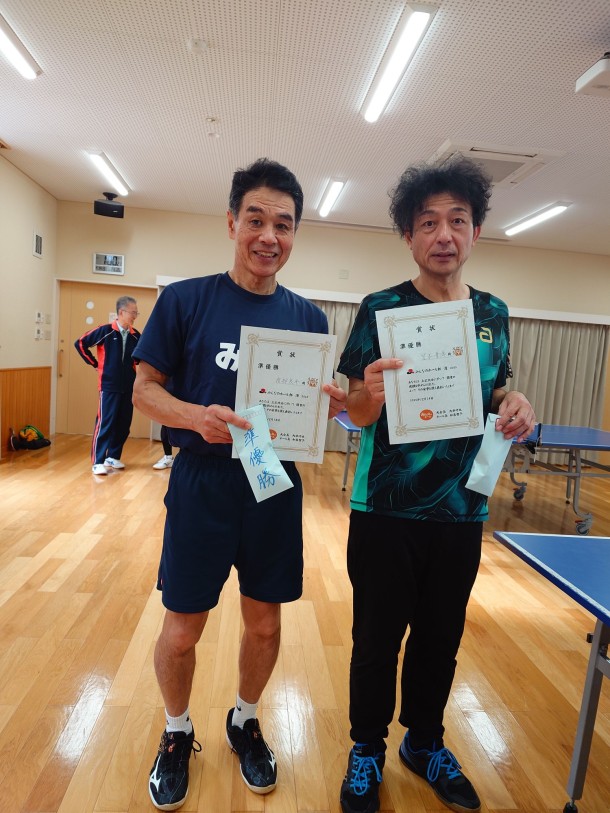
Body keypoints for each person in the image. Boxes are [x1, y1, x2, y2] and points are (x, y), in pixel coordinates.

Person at [131, 158, 346, 811]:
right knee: (181, 629)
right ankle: (176, 730)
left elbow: (314, 410)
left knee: (265, 625)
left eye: (283, 224)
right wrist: (194, 416)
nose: (268, 236)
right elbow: (143, 390)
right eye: (256, 219)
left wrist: (332, 407)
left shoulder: (308, 319)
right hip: (203, 480)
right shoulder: (184, 300)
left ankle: (245, 719)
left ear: (294, 233)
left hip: (272, 481)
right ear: (232, 223)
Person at [337, 157, 536, 813]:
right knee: (376, 640)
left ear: (475, 231)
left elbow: (495, 388)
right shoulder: (381, 308)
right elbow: (353, 411)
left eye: (457, 220)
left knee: (439, 639)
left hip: (460, 509)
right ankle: (366, 748)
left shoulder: (492, 312)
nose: (443, 234)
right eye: (428, 222)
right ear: (409, 236)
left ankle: (423, 742)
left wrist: (514, 401)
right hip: (385, 507)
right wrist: (367, 395)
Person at [75, 295, 141, 475]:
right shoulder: (105, 331)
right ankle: (98, 461)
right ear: (121, 312)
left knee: (124, 424)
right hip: (109, 385)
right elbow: (80, 343)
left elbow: (139, 359)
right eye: (133, 312)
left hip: (128, 386)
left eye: (136, 313)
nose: (135, 316)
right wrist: (95, 364)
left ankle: (113, 456)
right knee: (105, 422)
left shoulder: (136, 336)